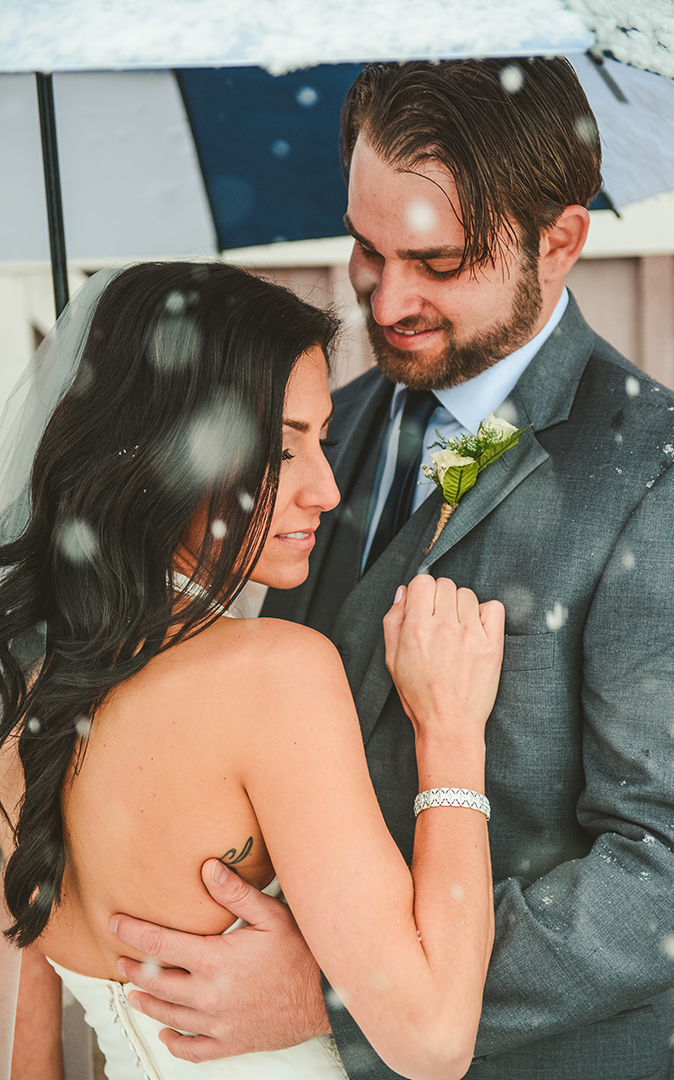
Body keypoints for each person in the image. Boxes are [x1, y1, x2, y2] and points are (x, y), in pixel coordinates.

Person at [110, 58, 674, 1078]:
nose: (387, 299)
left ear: (559, 241)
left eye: (437, 263)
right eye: (365, 248)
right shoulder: (324, 430)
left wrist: (343, 989)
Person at [0, 261, 506, 1080]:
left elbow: (27, 1053)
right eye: (279, 450)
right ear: (161, 452)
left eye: (323, 441)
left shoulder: (17, 693)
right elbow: (435, 1037)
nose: (327, 491)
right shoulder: (273, 676)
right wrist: (448, 737)